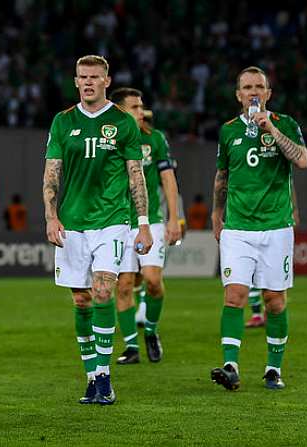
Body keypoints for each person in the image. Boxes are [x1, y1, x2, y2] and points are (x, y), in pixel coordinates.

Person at [42, 55, 152, 405]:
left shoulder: (123, 123)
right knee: (81, 299)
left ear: (106, 81)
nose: (88, 82)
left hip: (112, 221)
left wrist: (144, 224)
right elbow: (52, 172)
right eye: (82, 77)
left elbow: (136, 175)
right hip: (72, 224)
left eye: (95, 77)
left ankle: (104, 376)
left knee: (103, 292)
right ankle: (91, 375)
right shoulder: (62, 122)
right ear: (76, 82)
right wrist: (50, 215)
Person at [210, 66, 307, 391]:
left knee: (274, 301)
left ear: (268, 93)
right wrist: (216, 212)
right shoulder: (227, 131)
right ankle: (230, 365)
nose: (253, 92)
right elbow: (223, 174)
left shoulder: (286, 124)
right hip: (238, 227)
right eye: (247, 87)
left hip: (276, 226)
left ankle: (273, 369)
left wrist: (272, 130)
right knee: (234, 295)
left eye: (259, 87)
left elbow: (303, 160)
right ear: (238, 95)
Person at [109, 88, 181, 365]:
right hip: (117, 221)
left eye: (141, 106)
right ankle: (131, 347)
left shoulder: (155, 139)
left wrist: (174, 218)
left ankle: (150, 330)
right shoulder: (109, 140)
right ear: (120, 111)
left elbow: (168, 179)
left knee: (152, 281)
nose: (142, 112)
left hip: (149, 220)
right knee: (124, 285)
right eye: (135, 107)